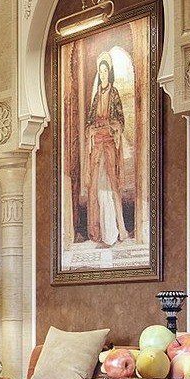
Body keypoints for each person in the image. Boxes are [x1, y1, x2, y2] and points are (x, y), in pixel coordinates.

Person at [83, 52, 131, 245]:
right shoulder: (96, 96)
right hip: (97, 144)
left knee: (111, 187)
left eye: (105, 71)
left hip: (109, 144)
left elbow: (120, 121)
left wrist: (109, 127)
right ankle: (100, 232)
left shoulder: (114, 93)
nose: (102, 74)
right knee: (97, 188)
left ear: (109, 73)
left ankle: (117, 230)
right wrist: (94, 129)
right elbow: (89, 123)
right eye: (100, 71)